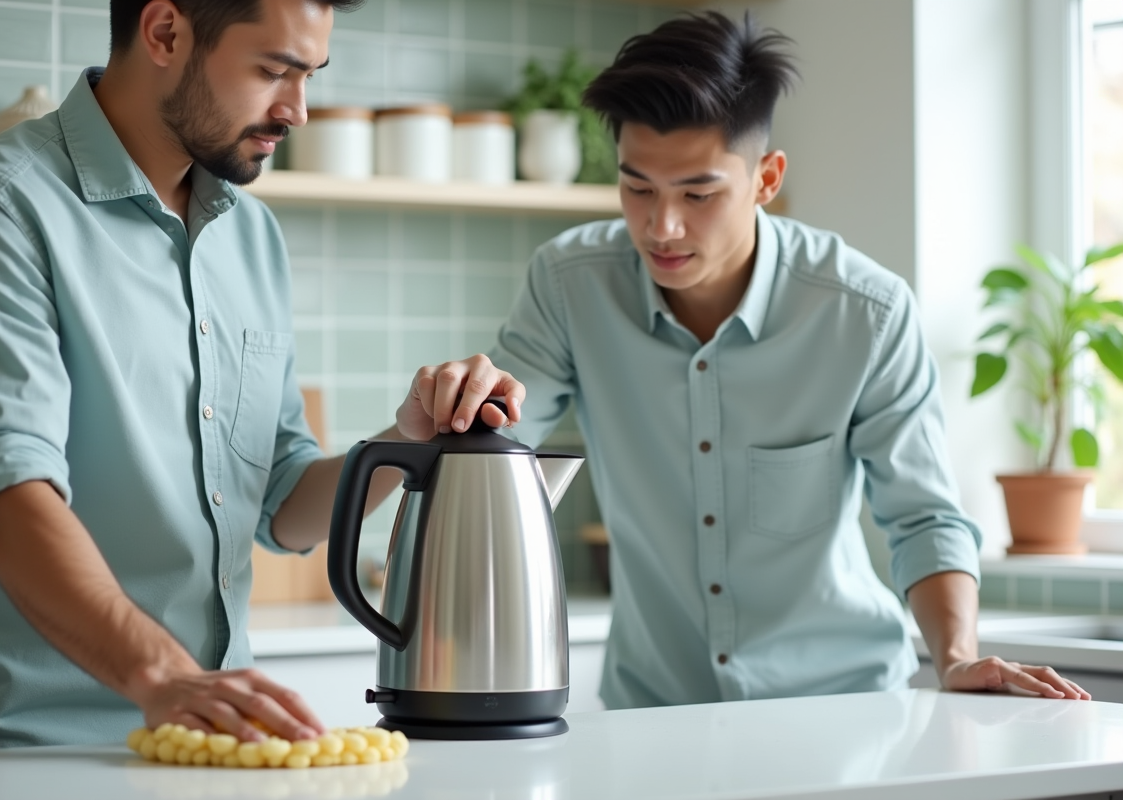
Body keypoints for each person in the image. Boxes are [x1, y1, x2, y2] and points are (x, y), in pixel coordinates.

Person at [0, 0, 521, 749]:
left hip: (209, 748)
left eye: (309, 76)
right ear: (165, 33)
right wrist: (163, 676)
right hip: (24, 755)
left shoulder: (251, 234)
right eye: (273, 70)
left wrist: (408, 441)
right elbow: (3, 492)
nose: (297, 110)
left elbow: (283, 505)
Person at [450, 11, 1089, 709]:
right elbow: (493, 440)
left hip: (842, 711)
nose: (662, 227)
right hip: (656, 715)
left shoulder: (864, 311)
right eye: (638, 188)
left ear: (766, 178)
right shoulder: (570, 284)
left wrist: (957, 657)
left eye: (698, 194)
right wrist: (453, 409)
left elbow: (924, 517)